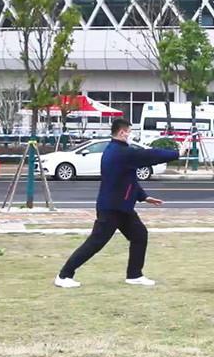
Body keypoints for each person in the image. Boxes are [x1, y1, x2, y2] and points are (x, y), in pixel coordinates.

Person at [54, 119, 180, 288]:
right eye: (130, 132)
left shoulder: (116, 151)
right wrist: (176, 153)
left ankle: (134, 275)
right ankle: (64, 276)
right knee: (96, 242)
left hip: (122, 207)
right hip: (112, 208)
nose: (131, 135)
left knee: (139, 235)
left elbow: (127, 180)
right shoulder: (120, 152)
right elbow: (149, 156)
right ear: (122, 133)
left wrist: (143, 197)